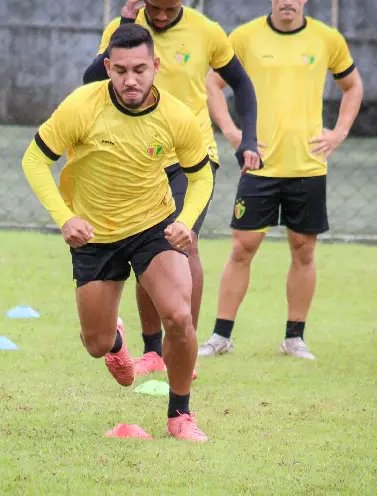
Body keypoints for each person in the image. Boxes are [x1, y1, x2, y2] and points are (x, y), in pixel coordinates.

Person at [21, 24, 214, 440]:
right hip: (95, 235)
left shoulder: (177, 116)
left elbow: (201, 177)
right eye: (121, 69)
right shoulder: (81, 106)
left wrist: (185, 221)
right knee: (94, 342)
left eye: (140, 69)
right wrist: (64, 217)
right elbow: (35, 160)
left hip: (152, 226)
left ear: (156, 67)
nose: (131, 79)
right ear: (107, 67)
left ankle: (180, 413)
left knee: (179, 316)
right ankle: (115, 343)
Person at [83, 0, 261, 374]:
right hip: (137, 158)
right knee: (142, 245)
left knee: (181, 241)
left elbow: (243, 84)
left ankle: (183, 344)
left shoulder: (206, 31)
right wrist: (127, 19)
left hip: (190, 156)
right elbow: (90, 83)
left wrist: (249, 138)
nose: (160, 16)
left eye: (168, 9)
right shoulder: (124, 30)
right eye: (154, 8)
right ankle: (152, 349)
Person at [198, 0, 363, 360]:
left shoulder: (327, 39)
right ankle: (220, 336)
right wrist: (232, 131)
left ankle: (294, 338)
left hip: (307, 166)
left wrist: (339, 132)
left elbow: (353, 87)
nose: (287, 1)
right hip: (258, 164)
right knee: (242, 248)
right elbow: (212, 82)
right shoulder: (244, 37)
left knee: (304, 250)